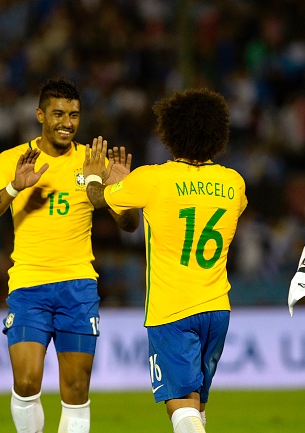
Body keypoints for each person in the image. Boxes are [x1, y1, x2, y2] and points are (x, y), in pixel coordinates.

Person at [0, 77, 139, 433]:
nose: (67, 122)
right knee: (27, 382)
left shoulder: (92, 161)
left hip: (78, 286)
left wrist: (115, 189)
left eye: (74, 115)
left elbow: (129, 225)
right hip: (29, 283)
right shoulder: (13, 159)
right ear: (40, 115)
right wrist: (15, 186)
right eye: (59, 113)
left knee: (76, 390)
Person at [81, 88, 247, 433]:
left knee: (180, 405)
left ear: (170, 133)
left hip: (172, 310)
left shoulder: (152, 178)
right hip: (218, 308)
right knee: (197, 403)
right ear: (218, 133)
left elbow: (99, 200)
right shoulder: (234, 182)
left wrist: (96, 176)